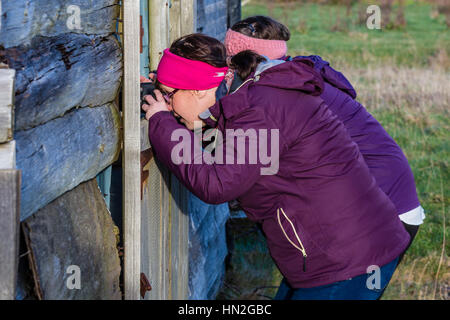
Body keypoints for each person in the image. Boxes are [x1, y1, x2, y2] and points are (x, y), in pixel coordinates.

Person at [142, 33, 410, 300]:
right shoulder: (251, 96)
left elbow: (218, 184)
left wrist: (161, 123)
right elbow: (229, 148)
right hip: (343, 253)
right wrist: (168, 98)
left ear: (199, 89)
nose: (166, 104)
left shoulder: (258, 112)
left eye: (167, 95)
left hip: (346, 262)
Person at [224, 16, 425, 266]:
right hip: (384, 199)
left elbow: (245, 157)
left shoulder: (287, 93)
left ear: (248, 61)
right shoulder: (293, 77)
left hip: (384, 209)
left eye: (231, 61)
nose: (227, 71)